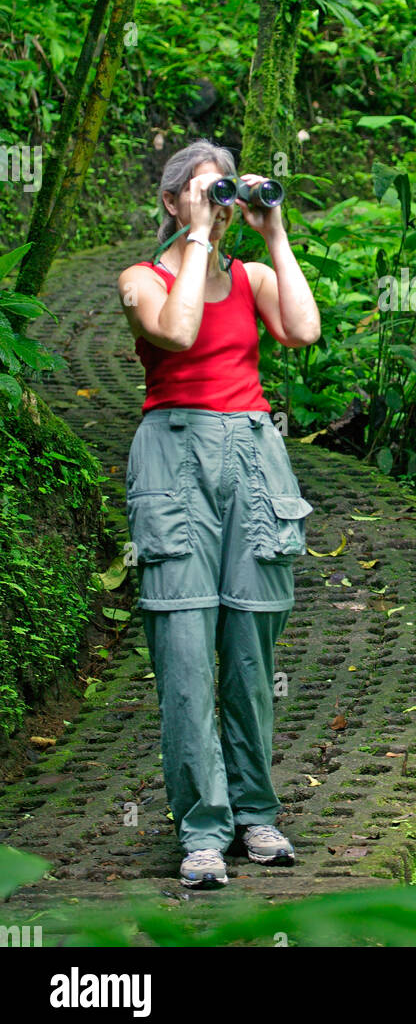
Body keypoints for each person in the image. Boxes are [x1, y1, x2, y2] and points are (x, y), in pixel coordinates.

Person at [117, 138, 320, 889]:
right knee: (183, 644)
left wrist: (274, 231)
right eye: (203, 192)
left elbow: (302, 331)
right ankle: (202, 830)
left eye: (224, 194)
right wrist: (198, 237)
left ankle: (255, 814)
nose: (218, 205)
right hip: (173, 458)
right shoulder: (141, 279)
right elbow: (176, 331)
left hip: (253, 455)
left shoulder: (254, 276)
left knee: (250, 649)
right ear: (171, 202)